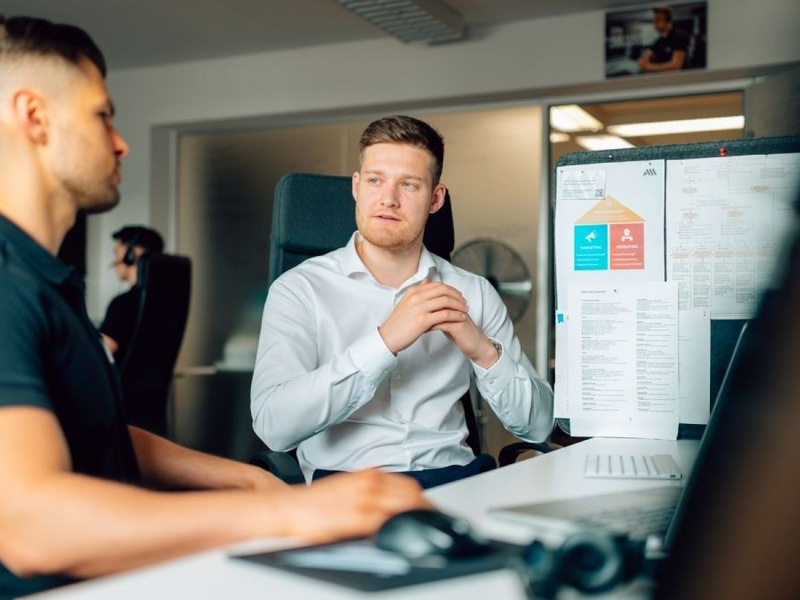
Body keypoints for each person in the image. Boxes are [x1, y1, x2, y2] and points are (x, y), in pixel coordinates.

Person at [0, 15, 429, 599]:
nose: (121, 141)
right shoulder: (7, 286)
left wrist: (250, 482)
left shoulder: (50, 281)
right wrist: (292, 516)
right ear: (33, 116)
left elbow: (99, 431)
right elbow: (32, 528)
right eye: (103, 115)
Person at [251, 115, 554, 489]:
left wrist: (482, 351)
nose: (388, 200)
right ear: (357, 187)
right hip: (346, 489)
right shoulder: (298, 289)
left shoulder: (473, 292)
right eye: (376, 180)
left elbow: (539, 425)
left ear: (435, 198)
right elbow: (274, 429)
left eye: (408, 185)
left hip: (457, 484)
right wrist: (384, 341)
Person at [99, 225, 164, 359]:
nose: (114, 261)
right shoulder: (166, 301)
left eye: (116, 253)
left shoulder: (123, 304)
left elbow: (100, 355)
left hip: (120, 380)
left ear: (132, 255)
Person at [636, 7, 691, 73]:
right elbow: (648, 54)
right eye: (654, 20)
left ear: (668, 21)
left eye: (658, 20)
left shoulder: (679, 36)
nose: (654, 23)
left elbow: (676, 66)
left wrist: (649, 67)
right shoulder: (660, 40)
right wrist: (643, 60)